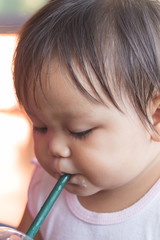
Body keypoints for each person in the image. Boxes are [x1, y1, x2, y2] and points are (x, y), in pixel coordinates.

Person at [13, 0, 160, 239]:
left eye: (79, 131)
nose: (56, 148)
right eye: (40, 127)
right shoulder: (44, 186)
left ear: (155, 117)